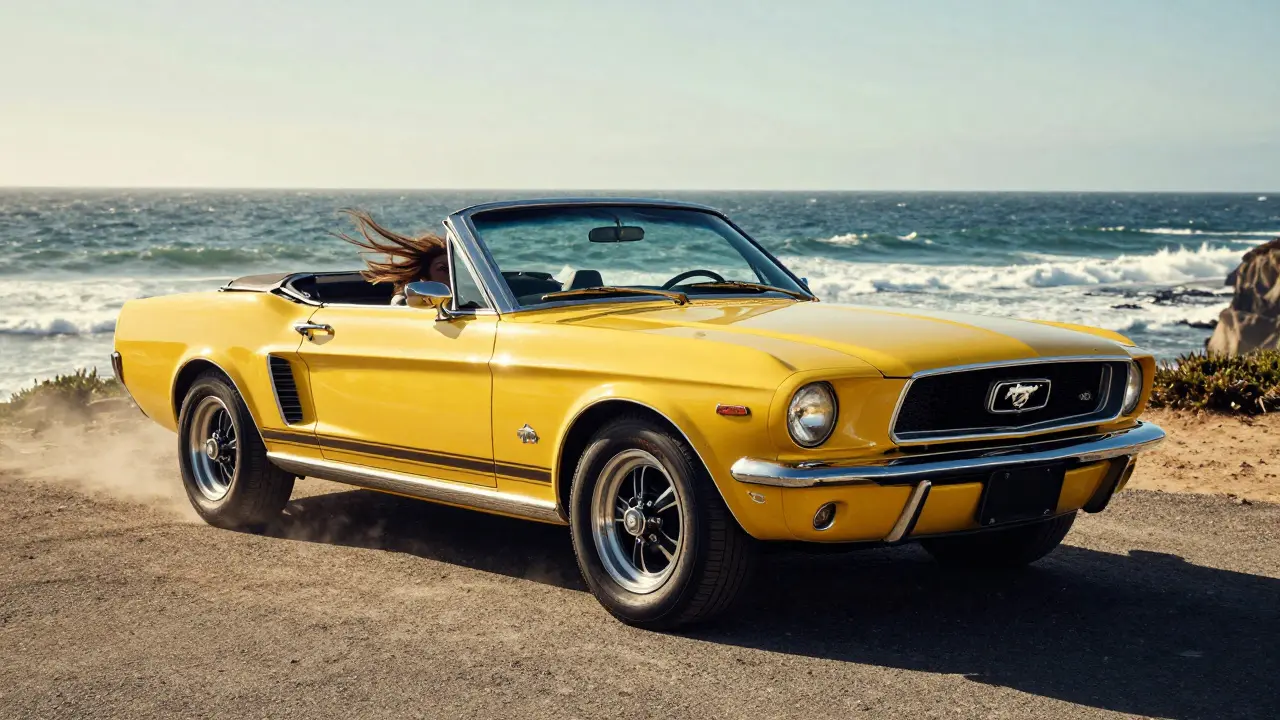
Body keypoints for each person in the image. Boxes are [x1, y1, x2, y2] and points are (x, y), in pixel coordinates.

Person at [333, 209, 450, 305]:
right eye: (443, 269)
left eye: (458, 269)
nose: (451, 275)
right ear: (425, 277)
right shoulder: (404, 302)